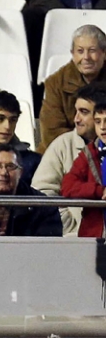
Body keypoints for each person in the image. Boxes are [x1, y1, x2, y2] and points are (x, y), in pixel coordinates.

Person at [34, 83, 106, 235]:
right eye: (76, 111)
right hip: (80, 238)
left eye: (84, 112)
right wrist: (70, 226)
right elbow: (41, 192)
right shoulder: (63, 145)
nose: (76, 119)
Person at [39, 25, 106, 152]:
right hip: (65, 153)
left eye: (92, 50)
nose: (86, 57)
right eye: (80, 51)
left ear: (104, 52)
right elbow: (51, 131)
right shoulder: (56, 83)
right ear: (72, 54)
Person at [61, 98, 106, 238]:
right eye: (98, 121)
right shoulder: (89, 153)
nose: (103, 127)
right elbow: (67, 187)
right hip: (94, 234)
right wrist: (99, 191)